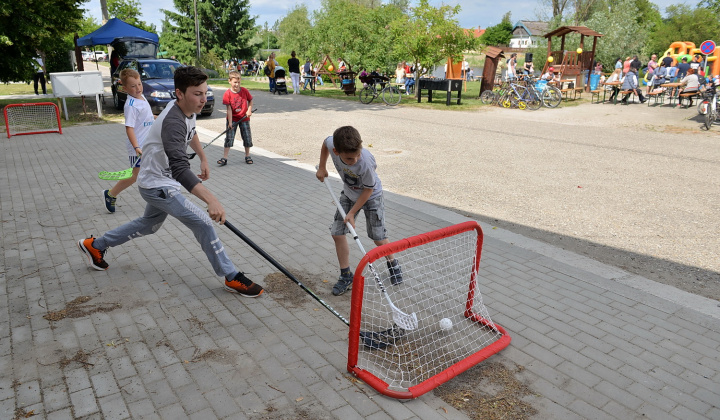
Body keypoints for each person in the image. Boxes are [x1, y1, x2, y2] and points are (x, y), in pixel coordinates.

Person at [77, 66, 264, 298]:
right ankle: (231, 275)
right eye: (197, 94)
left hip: (158, 180)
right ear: (180, 93)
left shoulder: (187, 108)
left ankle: (95, 245)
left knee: (148, 225)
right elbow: (179, 169)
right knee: (204, 223)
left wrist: (204, 157)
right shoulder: (172, 123)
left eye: (205, 93)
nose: (203, 99)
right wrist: (211, 199)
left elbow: (192, 131)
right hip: (158, 185)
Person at [315, 126, 402, 296]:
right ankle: (346, 275)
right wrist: (322, 167)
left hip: (371, 197)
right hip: (349, 194)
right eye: (349, 158)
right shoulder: (332, 143)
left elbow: (368, 190)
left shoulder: (366, 162)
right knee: (337, 233)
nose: (355, 160)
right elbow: (325, 144)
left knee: (378, 238)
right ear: (337, 151)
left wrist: (352, 213)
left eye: (357, 155)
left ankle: (393, 263)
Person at [103, 68, 155, 214]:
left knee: (154, 169)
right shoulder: (131, 106)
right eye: (133, 86)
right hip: (138, 148)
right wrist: (136, 146)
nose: (138, 88)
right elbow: (129, 128)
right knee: (134, 176)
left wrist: (161, 119)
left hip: (148, 145)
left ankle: (158, 195)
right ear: (125, 89)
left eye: (139, 84)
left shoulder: (142, 98)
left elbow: (148, 119)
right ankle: (111, 194)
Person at [218, 70, 254, 166]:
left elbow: (250, 101)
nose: (237, 84)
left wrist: (249, 110)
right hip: (232, 119)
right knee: (229, 138)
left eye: (238, 82)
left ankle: (247, 155)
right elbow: (229, 109)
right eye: (235, 82)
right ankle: (225, 158)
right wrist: (230, 122)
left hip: (244, 118)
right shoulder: (227, 94)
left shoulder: (245, 91)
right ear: (229, 81)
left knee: (247, 137)